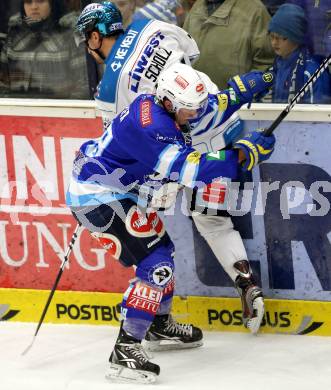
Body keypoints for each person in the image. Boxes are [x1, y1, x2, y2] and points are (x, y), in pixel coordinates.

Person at [66, 64, 276, 383]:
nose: (194, 114)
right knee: (157, 265)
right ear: (169, 102)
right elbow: (193, 172)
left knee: (164, 252)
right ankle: (125, 349)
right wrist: (244, 156)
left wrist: (243, 90)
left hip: (118, 192)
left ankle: (158, 325)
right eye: (188, 110)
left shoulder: (165, 105)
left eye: (194, 108)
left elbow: (207, 106)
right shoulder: (153, 129)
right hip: (99, 198)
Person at [75, 1, 275, 335]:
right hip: (214, 117)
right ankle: (243, 276)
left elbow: (124, 140)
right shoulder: (149, 25)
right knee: (212, 218)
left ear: (95, 37)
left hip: (175, 151)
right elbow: (191, 60)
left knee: (154, 243)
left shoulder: (108, 91)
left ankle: (149, 315)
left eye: (86, 38)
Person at [0, 0, 89, 99]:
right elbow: (3, 84)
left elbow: (83, 86)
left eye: (40, 1)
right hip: (16, 111)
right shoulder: (14, 37)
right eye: (28, 2)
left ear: (52, 4)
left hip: (56, 111)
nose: (34, 7)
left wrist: (62, 110)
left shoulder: (69, 38)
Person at [183, 0, 275, 89]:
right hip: (194, 98)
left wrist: (243, 94)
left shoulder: (255, 10)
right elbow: (182, 49)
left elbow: (266, 65)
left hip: (235, 102)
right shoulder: (198, 6)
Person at [269, 3, 331, 103]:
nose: (274, 42)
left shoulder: (311, 73)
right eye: (272, 36)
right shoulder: (276, 66)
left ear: (295, 37)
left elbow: (315, 116)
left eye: (282, 38)